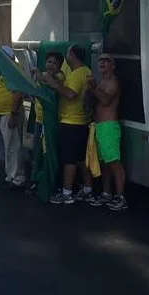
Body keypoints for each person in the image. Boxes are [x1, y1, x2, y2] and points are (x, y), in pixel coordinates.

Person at [44, 45, 93, 204]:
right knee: (82, 159)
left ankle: (66, 193)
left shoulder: (76, 74)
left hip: (70, 123)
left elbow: (70, 94)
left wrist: (55, 86)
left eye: (67, 54)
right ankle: (87, 190)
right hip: (82, 122)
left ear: (72, 55)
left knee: (69, 160)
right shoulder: (87, 71)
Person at [89, 54, 126, 210]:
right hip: (100, 127)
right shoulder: (101, 82)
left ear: (113, 65)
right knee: (105, 164)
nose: (102, 62)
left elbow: (105, 100)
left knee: (114, 162)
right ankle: (106, 194)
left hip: (110, 127)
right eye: (100, 60)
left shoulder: (113, 81)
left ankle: (120, 197)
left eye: (107, 60)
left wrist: (93, 88)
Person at [27, 52, 64, 195]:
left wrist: (38, 74)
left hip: (51, 121)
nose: (51, 65)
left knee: (49, 152)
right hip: (39, 120)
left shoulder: (59, 77)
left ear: (59, 67)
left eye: (54, 63)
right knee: (37, 152)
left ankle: (49, 181)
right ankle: (36, 180)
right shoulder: (42, 74)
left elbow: (48, 82)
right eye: (49, 62)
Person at [0, 46, 26, 191]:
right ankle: (10, 175)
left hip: (11, 113)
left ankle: (17, 177)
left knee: (13, 146)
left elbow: (18, 93)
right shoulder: (7, 69)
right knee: (9, 146)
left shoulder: (13, 69)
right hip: (6, 113)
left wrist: (13, 113)